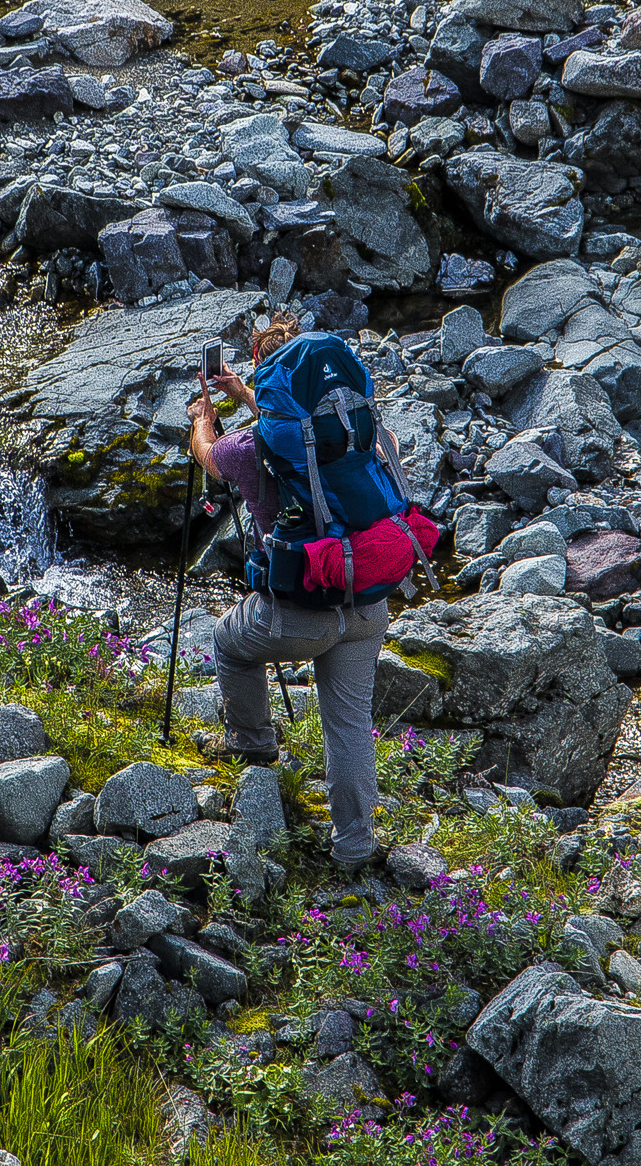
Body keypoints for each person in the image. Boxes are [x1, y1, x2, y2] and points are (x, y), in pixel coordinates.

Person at [184, 313, 397, 873]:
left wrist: (202, 421)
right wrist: (249, 395)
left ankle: (251, 742)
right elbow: (302, 438)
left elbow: (210, 455)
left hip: (299, 609)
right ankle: (356, 847)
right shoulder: (359, 434)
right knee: (348, 724)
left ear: (266, 370)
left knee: (227, 642)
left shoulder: (251, 449)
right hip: (365, 598)